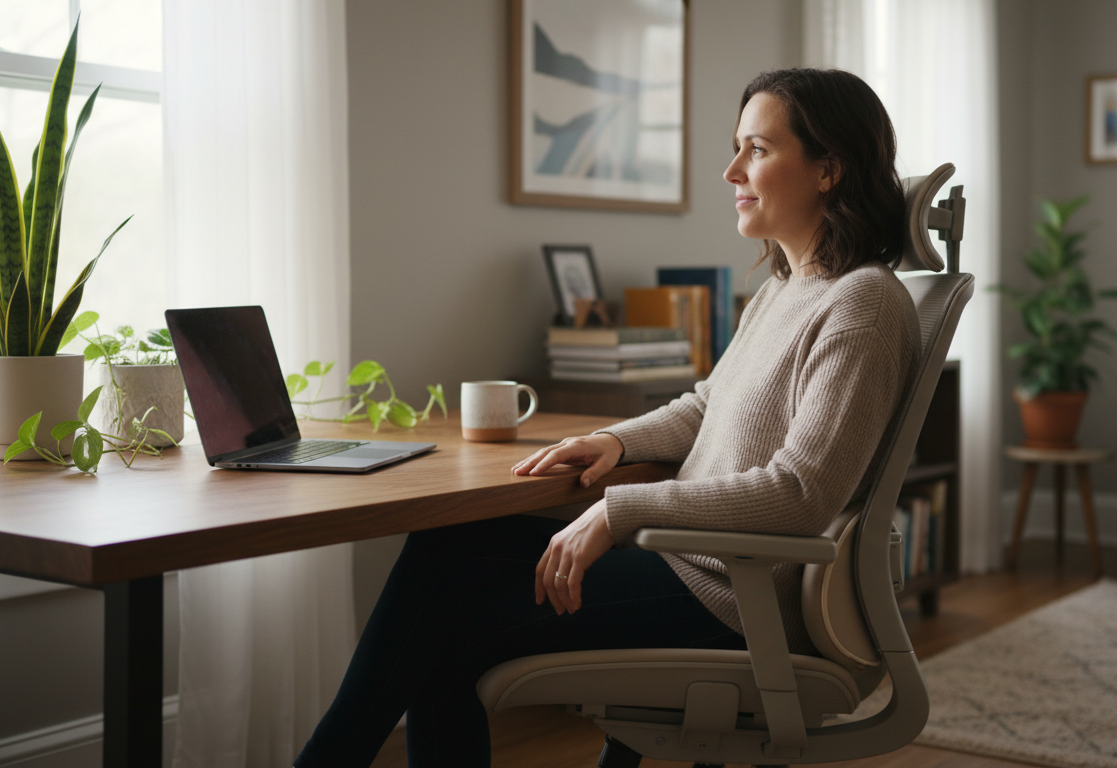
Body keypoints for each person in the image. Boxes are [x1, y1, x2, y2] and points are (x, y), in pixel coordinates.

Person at [294, 67, 921, 768]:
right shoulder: (786, 287)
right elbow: (707, 405)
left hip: (731, 597)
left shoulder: (861, 305)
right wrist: (612, 441)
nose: (730, 170)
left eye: (758, 150)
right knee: (446, 545)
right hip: (681, 560)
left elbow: (800, 495)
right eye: (736, 147)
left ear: (828, 169)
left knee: (444, 633)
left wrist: (614, 512)